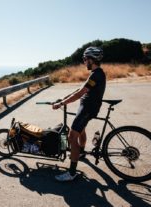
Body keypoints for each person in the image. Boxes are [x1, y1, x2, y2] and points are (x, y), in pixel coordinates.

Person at [52, 46, 106, 181]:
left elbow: (80, 93)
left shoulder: (96, 74)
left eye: (85, 59)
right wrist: (63, 99)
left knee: (71, 137)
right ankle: (80, 153)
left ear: (91, 60)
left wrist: (61, 104)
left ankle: (71, 173)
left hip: (87, 108)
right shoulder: (96, 73)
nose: (84, 62)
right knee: (80, 130)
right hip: (87, 108)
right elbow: (80, 89)